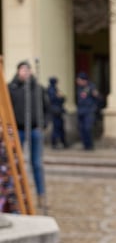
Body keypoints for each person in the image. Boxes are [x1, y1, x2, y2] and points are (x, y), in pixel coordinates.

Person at [8, 60, 50, 209]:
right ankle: (16, 195)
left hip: (34, 129)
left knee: (37, 163)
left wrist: (42, 125)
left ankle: (41, 196)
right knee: (15, 163)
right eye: (22, 70)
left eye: (27, 70)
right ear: (18, 71)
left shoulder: (38, 89)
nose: (25, 72)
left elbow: (46, 108)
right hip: (18, 129)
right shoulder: (11, 88)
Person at [75, 72, 99, 151]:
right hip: (81, 111)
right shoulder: (80, 88)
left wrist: (93, 108)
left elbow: (97, 98)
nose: (78, 82)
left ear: (84, 80)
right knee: (81, 129)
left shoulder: (91, 87)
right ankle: (85, 145)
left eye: (79, 80)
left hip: (88, 112)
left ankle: (90, 145)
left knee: (87, 128)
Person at [46, 76, 68, 149]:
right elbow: (56, 100)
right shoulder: (52, 90)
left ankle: (60, 142)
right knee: (57, 128)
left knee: (59, 128)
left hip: (57, 111)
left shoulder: (53, 89)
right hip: (56, 111)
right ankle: (55, 143)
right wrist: (60, 97)